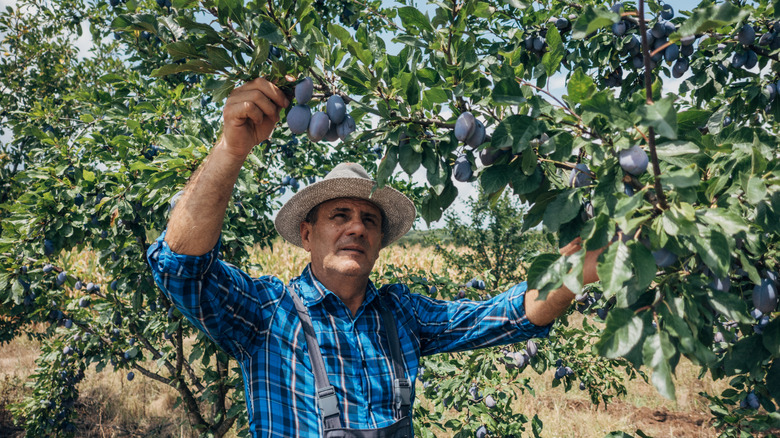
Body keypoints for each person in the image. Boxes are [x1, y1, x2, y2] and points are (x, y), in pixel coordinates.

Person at [147, 78, 603, 437]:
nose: (357, 227)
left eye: (370, 219)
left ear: (380, 240)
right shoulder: (268, 314)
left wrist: (573, 272)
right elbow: (182, 270)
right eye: (339, 215)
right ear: (307, 235)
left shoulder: (402, 314)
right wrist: (231, 150)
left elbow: (508, 317)